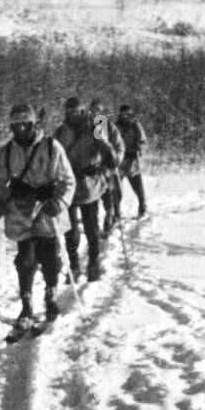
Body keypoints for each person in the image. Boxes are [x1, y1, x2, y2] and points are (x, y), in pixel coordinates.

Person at [0, 104, 75, 331]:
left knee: (50, 258)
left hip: (47, 210)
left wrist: (59, 202)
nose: (19, 130)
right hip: (20, 211)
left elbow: (68, 180)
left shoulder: (52, 147)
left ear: (33, 124)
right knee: (25, 260)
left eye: (24, 125)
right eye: (15, 126)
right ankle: (26, 304)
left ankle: (50, 298)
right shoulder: (6, 152)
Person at [53, 96, 117, 281]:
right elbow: (53, 153)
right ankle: (74, 265)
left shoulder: (95, 127)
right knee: (70, 231)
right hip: (68, 185)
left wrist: (109, 157)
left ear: (83, 111)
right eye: (70, 112)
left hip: (89, 184)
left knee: (91, 228)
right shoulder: (61, 131)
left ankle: (93, 263)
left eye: (77, 111)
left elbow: (104, 145)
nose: (74, 115)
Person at [90, 99, 125, 238]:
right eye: (94, 110)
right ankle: (94, 227)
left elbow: (120, 146)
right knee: (93, 200)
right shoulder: (86, 127)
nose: (96, 113)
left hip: (107, 168)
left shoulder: (109, 127)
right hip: (92, 170)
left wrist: (115, 159)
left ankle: (109, 219)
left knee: (110, 196)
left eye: (99, 110)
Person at [115, 104, 150, 217]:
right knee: (116, 189)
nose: (125, 117)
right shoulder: (116, 127)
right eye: (122, 115)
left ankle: (142, 207)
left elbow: (143, 142)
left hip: (132, 161)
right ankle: (116, 211)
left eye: (127, 115)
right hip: (119, 161)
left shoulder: (135, 126)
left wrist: (138, 147)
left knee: (138, 188)